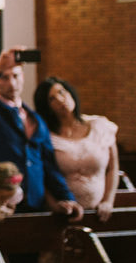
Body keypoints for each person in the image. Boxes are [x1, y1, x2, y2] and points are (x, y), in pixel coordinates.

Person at [0, 47, 82, 218]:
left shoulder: (37, 120)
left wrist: (67, 198)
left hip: (35, 202)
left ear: (23, 78)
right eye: (4, 77)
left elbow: (49, 165)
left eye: (16, 76)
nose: (12, 83)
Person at [35, 76, 119, 219]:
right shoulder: (46, 135)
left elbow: (113, 168)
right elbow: (42, 175)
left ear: (70, 92)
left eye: (62, 92)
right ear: (47, 107)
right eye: (52, 99)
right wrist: (54, 205)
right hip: (63, 212)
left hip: (98, 211)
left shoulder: (100, 125)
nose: (61, 99)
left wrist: (108, 201)